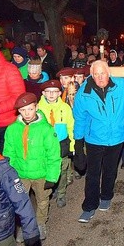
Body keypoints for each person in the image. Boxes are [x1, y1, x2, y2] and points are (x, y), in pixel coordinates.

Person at [72, 60, 124, 223]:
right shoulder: (84, 93)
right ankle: (89, 207)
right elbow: (79, 119)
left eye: (103, 73)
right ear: (91, 75)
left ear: (109, 72)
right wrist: (78, 146)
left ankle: (106, 196)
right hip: (94, 139)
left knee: (110, 170)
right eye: (96, 74)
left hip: (116, 138)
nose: (100, 77)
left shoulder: (122, 86)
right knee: (93, 174)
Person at [3, 92, 61, 240]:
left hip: (41, 174)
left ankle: (40, 222)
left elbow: (53, 155)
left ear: (36, 107)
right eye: (23, 110)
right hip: (20, 174)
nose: (27, 113)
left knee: (42, 200)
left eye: (30, 109)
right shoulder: (12, 129)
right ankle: (26, 225)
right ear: (18, 111)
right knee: (21, 202)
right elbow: (8, 153)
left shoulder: (46, 129)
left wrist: (52, 176)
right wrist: (8, 173)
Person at [37, 79, 75, 208]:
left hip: (61, 144)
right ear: (43, 93)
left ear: (60, 93)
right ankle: (50, 190)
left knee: (62, 170)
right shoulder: (38, 109)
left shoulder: (65, 108)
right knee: (47, 169)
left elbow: (70, 127)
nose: (51, 94)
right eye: (48, 92)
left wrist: (72, 145)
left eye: (54, 92)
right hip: (45, 146)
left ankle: (61, 193)